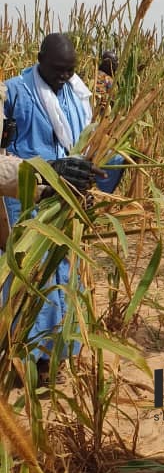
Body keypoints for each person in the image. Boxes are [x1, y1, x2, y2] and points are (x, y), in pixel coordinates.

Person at [3, 33, 120, 386]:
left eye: (69, 71)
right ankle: (23, 359)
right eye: (57, 70)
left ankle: (53, 358)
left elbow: (86, 141)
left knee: (63, 279)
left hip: (68, 204)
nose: (63, 77)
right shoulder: (12, 93)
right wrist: (48, 171)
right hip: (27, 204)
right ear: (39, 58)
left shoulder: (76, 95)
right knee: (29, 280)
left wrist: (112, 162)